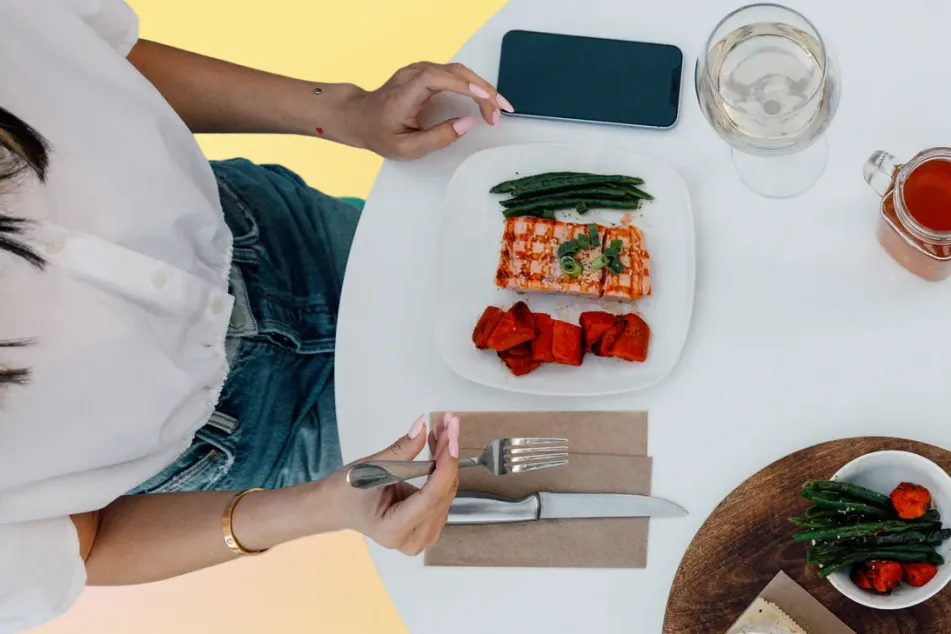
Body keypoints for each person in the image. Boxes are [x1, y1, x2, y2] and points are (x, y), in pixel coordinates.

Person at [0, 2, 514, 631]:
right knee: (585, 461)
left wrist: (343, 111)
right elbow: (86, 542)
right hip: (253, 435)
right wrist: (325, 508)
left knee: (531, 271)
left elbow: (83, 58)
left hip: (265, 228)